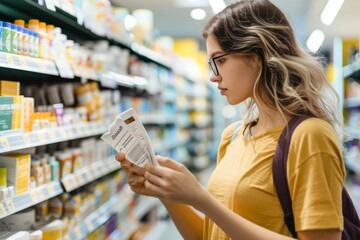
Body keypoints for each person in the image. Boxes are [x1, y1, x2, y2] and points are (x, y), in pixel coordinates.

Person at [116, 0, 346, 239]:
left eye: (221, 60)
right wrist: (167, 192)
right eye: (211, 63)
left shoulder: (309, 135)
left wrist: (202, 199)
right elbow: (211, 234)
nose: (214, 77)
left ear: (257, 55)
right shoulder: (235, 135)